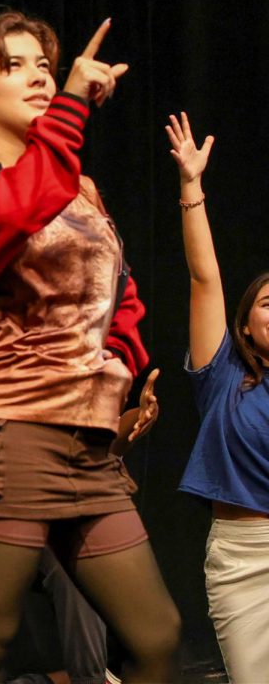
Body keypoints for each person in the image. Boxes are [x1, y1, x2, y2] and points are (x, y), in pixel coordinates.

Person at [0, 13, 179, 682]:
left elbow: (120, 293)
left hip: (87, 444)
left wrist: (121, 366)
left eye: (45, 66)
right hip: (3, 434)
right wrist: (74, 106)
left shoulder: (77, 186)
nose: (41, 76)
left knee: (157, 637)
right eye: (15, 65)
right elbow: (11, 217)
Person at [170, 113, 269, 682]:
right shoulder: (224, 373)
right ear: (246, 326)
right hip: (243, 557)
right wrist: (191, 186)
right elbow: (205, 276)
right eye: (267, 303)